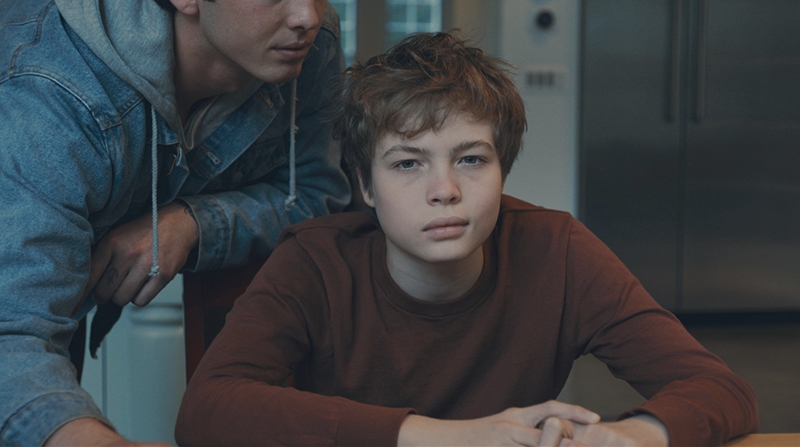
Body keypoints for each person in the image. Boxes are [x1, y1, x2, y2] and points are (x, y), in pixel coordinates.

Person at [174, 32, 759, 446]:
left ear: (503, 170)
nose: (445, 189)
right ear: (365, 187)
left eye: (472, 159)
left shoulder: (557, 250)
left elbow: (717, 389)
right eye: (407, 164)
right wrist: (445, 438)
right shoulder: (314, 261)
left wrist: (633, 435)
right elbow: (207, 410)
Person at [0, 0, 351, 445]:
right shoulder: (49, 95)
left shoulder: (306, 46)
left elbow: (319, 193)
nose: (308, 16)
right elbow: (11, 333)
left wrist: (193, 224)